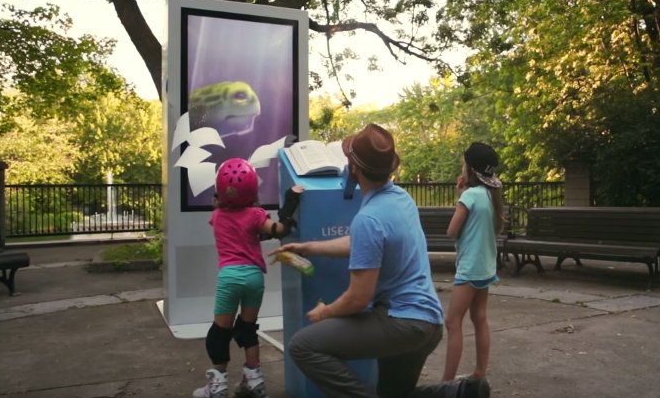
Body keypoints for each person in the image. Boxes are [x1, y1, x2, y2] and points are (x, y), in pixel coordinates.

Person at [269, 124, 491, 398]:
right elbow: (361, 243)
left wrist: (323, 313)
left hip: (400, 322)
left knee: (303, 346)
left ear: (352, 169)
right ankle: (458, 392)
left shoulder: (369, 218)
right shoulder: (401, 199)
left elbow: (358, 299)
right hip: (427, 323)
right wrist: (309, 247)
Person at [193, 158, 303, 398]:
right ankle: (254, 383)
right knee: (247, 329)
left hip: (230, 278)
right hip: (254, 277)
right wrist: (291, 200)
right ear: (253, 189)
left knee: (220, 333)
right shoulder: (255, 215)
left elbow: (237, 229)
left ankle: (218, 387)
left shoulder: (218, 216)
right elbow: (279, 230)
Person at [442, 143, 506, 383]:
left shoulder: (470, 196)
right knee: (479, 317)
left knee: (452, 321)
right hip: (486, 267)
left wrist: (461, 198)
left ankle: (446, 383)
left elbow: (451, 231)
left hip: (469, 268)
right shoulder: (490, 195)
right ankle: (480, 371)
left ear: (469, 168)